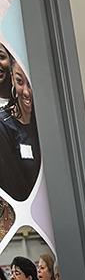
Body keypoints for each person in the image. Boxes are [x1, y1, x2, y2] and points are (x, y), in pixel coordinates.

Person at [0, 59, 41, 203]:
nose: (26, 91)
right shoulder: (4, 126)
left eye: (30, 84)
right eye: (19, 81)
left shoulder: (44, 122)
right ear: (12, 79)